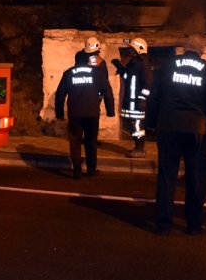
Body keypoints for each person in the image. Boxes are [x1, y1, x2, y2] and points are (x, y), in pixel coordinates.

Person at [146, 34, 206, 235]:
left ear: (184, 49)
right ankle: (194, 224)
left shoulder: (168, 66)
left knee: (167, 176)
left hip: (169, 127)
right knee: (195, 178)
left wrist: (151, 124)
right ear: (202, 51)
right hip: (197, 130)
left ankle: (163, 224)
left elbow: (154, 97)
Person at [55, 49, 115, 179]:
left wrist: (59, 114)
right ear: (87, 60)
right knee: (91, 141)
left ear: (76, 60)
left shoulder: (68, 74)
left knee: (75, 142)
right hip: (92, 113)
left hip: (75, 114)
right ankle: (91, 170)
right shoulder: (97, 73)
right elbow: (107, 92)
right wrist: (110, 111)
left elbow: (60, 95)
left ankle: (77, 171)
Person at [111, 38, 153, 158]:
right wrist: (120, 67)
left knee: (137, 125)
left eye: (132, 49)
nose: (130, 51)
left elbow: (148, 83)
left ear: (138, 50)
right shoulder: (134, 63)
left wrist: (142, 99)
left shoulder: (143, 64)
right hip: (131, 102)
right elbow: (127, 78)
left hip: (137, 102)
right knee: (133, 125)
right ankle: (137, 147)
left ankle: (140, 149)